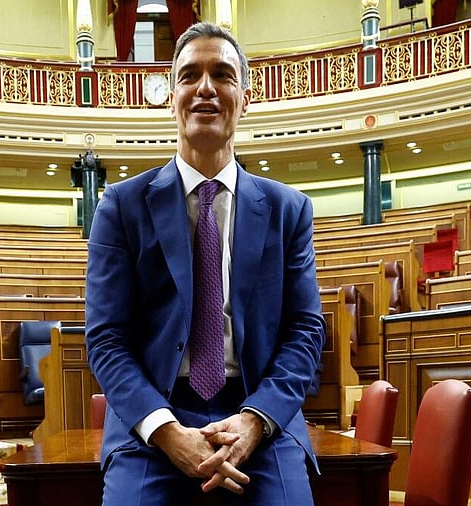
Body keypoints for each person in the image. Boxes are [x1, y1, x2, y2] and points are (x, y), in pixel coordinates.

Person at [85, 21, 325, 505]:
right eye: (190, 75)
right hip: (152, 424)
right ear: (171, 96)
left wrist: (255, 420)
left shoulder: (289, 210)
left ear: (245, 97)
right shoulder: (120, 206)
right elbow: (107, 339)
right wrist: (167, 430)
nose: (206, 88)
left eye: (223, 74)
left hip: (259, 415)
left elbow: (305, 331)